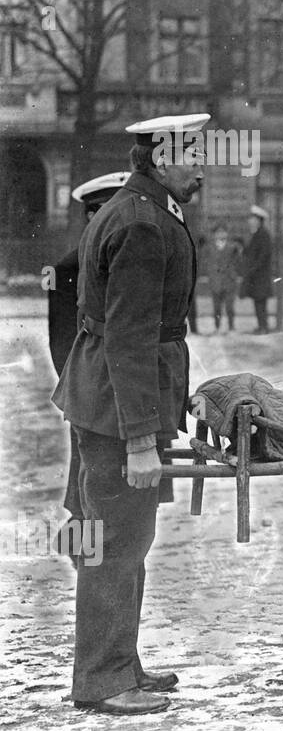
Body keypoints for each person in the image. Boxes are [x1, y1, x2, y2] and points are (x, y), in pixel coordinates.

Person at [51, 112, 207, 715]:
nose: (202, 171)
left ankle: (122, 664)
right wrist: (142, 438)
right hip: (118, 413)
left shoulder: (137, 209)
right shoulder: (142, 224)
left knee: (125, 542)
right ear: (161, 158)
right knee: (116, 545)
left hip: (108, 404)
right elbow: (130, 338)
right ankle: (103, 680)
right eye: (194, 158)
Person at [47, 172, 130, 554]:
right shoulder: (73, 267)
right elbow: (64, 344)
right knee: (90, 491)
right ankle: (84, 555)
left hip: (123, 392)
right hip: (93, 392)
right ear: (95, 214)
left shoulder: (118, 257)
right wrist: (87, 388)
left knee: (122, 502)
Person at [242, 204, 273, 333]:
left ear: (259, 221)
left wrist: (253, 269)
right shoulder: (256, 234)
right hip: (257, 275)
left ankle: (263, 327)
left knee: (260, 301)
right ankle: (262, 326)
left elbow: (263, 256)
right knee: (258, 301)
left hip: (261, 275)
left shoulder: (263, 235)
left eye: (253, 219)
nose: (250, 221)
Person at [207, 224, 241, 332]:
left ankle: (231, 327)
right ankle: (217, 328)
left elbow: (238, 262)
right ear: (214, 235)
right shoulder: (210, 248)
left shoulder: (232, 247)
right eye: (218, 232)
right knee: (217, 308)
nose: (220, 234)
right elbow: (207, 263)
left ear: (226, 234)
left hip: (229, 281)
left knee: (229, 306)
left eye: (223, 232)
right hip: (216, 281)